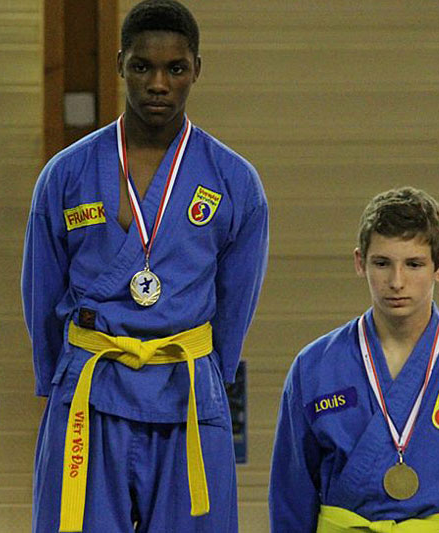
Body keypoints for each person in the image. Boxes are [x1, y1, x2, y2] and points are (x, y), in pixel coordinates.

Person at [22, 1, 269, 531]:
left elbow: (236, 304)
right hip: (92, 389)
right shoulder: (65, 175)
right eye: (143, 67)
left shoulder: (234, 182)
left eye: (175, 69)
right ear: (120, 65)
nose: (159, 83)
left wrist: (210, 374)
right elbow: (41, 296)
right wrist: (55, 377)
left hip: (185, 392)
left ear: (196, 70)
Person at [268, 187, 439, 532]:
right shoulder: (314, 366)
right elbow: (290, 497)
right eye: (382, 263)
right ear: (360, 263)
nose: (397, 282)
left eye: (414, 264)